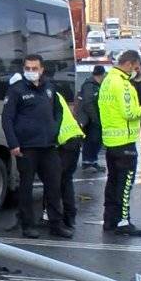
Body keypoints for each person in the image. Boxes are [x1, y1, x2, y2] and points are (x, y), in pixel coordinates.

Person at [2, 54, 72, 239]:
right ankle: (28, 225)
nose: (31, 71)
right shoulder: (16, 90)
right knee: (26, 187)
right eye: (28, 68)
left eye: (34, 68)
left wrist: (55, 130)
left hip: (48, 146)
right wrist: (13, 143)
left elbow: (58, 111)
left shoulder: (49, 87)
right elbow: (7, 118)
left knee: (54, 186)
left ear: (42, 70)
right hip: (27, 147)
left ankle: (56, 224)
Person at [98, 50, 141, 237]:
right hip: (125, 141)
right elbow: (129, 113)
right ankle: (123, 221)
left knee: (112, 182)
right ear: (129, 64)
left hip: (111, 141)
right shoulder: (122, 83)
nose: (137, 71)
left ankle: (109, 220)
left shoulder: (108, 80)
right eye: (136, 67)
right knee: (125, 184)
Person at [54, 88, 85, 232]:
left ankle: (58, 218)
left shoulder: (45, 96)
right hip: (74, 137)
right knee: (66, 180)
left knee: (57, 180)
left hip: (65, 141)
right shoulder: (55, 93)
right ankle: (70, 217)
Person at [78, 65, 106, 171]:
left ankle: (92, 161)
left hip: (95, 117)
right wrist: (95, 118)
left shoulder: (97, 85)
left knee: (96, 140)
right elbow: (88, 103)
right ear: (102, 74)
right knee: (92, 140)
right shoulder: (89, 85)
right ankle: (88, 162)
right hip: (90, 119)